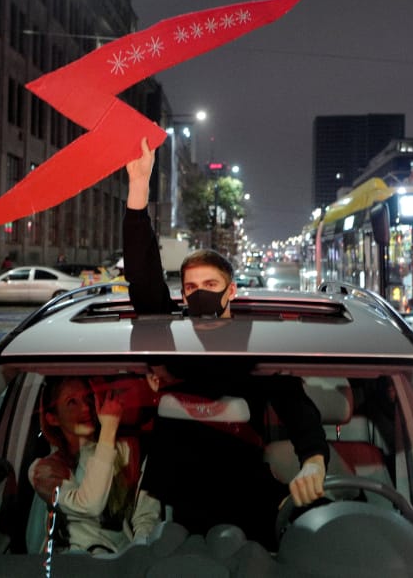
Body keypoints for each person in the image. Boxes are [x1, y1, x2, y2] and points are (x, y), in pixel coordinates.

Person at [123, 137, 329, 547]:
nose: (199, 293)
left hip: (245, 495)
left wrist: (314, 461)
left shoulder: (255, 343)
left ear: (231, 291)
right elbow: (143, 278)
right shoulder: (172, 336)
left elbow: (294, 402)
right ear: (182, 295)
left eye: (211, 284)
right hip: (180, 503)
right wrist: (138, 188)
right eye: (191, 287)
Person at [28, 377, 160, 554]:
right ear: (53, 419)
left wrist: (136, 555)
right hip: (69, 562)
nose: (86, 408)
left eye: (88, 399)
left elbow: (146, 516)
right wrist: (108, 428)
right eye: (72, 402)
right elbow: (90, 505)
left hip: (119, 561)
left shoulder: (127, 450)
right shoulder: (44, 470)